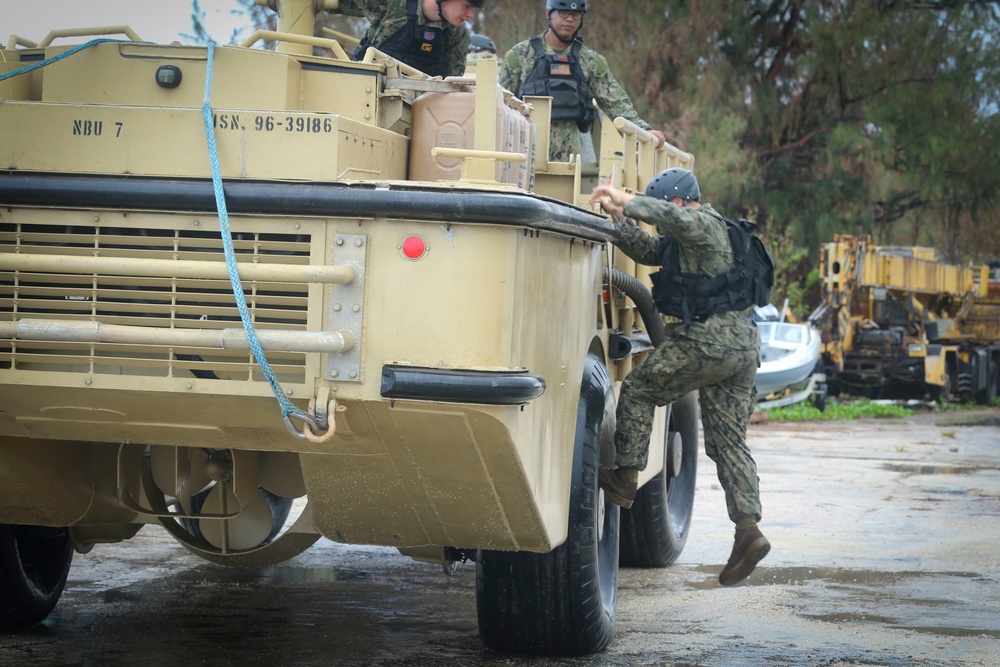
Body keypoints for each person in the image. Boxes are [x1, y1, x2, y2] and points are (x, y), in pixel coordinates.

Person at [588, 168, 770, 587]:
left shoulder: (703, 222)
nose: (668, 216)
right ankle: (748, 530)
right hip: (741, 349)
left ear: (681, 201)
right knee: (729, 444)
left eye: (666, 207)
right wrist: (619, 220)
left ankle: (625, 478)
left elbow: (677, 222)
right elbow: (653, 250)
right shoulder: (691, 242)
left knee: (638, 388)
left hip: (708, 342)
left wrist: (627, 199)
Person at [498, 0, 666, 162]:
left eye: (576, 14)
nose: (570, 19)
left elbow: (616, 103)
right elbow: (499, 102)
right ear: (548, 13)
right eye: (563, 12)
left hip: (569, 160)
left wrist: (644, 130)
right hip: (523, 155)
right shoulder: (520, 56)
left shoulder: (590, 61)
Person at [344, 0, 485, 78]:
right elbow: (333, 5)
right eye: (467, 6)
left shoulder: (458, 35)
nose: (470, 14)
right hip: (365, 92)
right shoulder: (394, 5)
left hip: (418, 110)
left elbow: (450, 85)